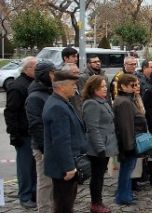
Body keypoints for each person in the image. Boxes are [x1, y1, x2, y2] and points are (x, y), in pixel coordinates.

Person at [42, 70, 88, 213]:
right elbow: (61, 141)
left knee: (66, 202)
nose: (75, 88)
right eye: (73, 85)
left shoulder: (61, 102)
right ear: (61, 87)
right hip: (63, 167)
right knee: (63, 204)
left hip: (65, 163)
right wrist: (68, 167)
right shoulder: (57, 106)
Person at [81, 75, 118, 213]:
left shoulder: (102, 101)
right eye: (102, 86)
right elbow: (92, 128)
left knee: (100, 176)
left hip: (107, 144)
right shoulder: (91, 103)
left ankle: (98, 201)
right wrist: (100, 148)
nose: (105, 89)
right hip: (98, 147)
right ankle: (96, 203)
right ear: (93, 88)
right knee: (96, 177)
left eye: (105, 86)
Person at [5, 57, 37, 209]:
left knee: (34, 166)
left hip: (33, 132)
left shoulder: (33, 83)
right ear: (27, 69)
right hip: (23, 134)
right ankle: (25, 195)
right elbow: (11, 112)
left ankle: (33, 193)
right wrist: (14, 134)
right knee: (25, 167)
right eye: (35, 68)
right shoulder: (18, 86)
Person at [25, 61, 56, 213]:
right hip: (43, 148)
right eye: (52, 73)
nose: (54, 76)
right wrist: (45, 149)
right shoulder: (35, 97)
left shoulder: (48, 91)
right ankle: (44, 210)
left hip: (52, 145)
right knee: (45, 183)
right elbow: (36, 126)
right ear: (45, 74)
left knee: (53, 183)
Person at [113, 74, 147, 205]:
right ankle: (123, 196)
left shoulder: (126, 100)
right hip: (128, 143)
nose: (135, 87)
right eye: (132, 85)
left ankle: (125, 194)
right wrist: (129, 146)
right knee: (126, 171)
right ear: (123, 86)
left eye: (137, 84)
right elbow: (126, 126)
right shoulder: (124, 102)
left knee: (127, 170)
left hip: (129, 141)